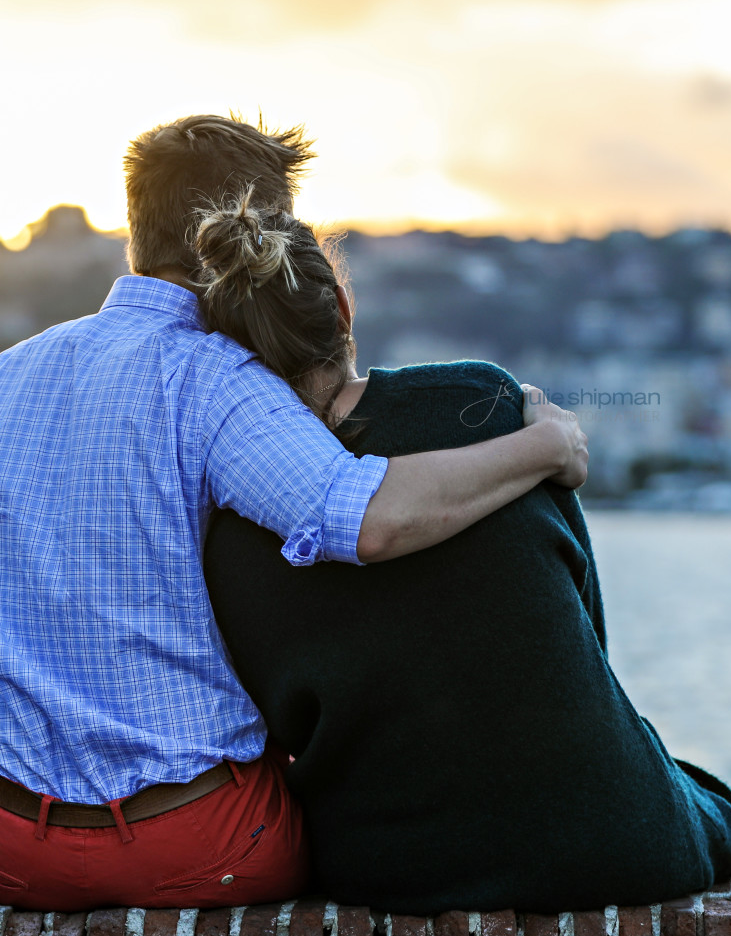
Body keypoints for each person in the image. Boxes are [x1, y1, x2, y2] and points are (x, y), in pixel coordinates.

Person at [0, 115, 587, 911]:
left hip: (14, 846)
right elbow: (365, 516)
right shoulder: (212, 375)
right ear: (250, 230)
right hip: (193, 843)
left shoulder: (13, 374)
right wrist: (543, 446)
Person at [199, 197, 731, 913]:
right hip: (615, 839)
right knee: (716, 803)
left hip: (391, 866)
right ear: (342, 305)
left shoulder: (230, 524)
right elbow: (586, 634)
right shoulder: (481, 402)